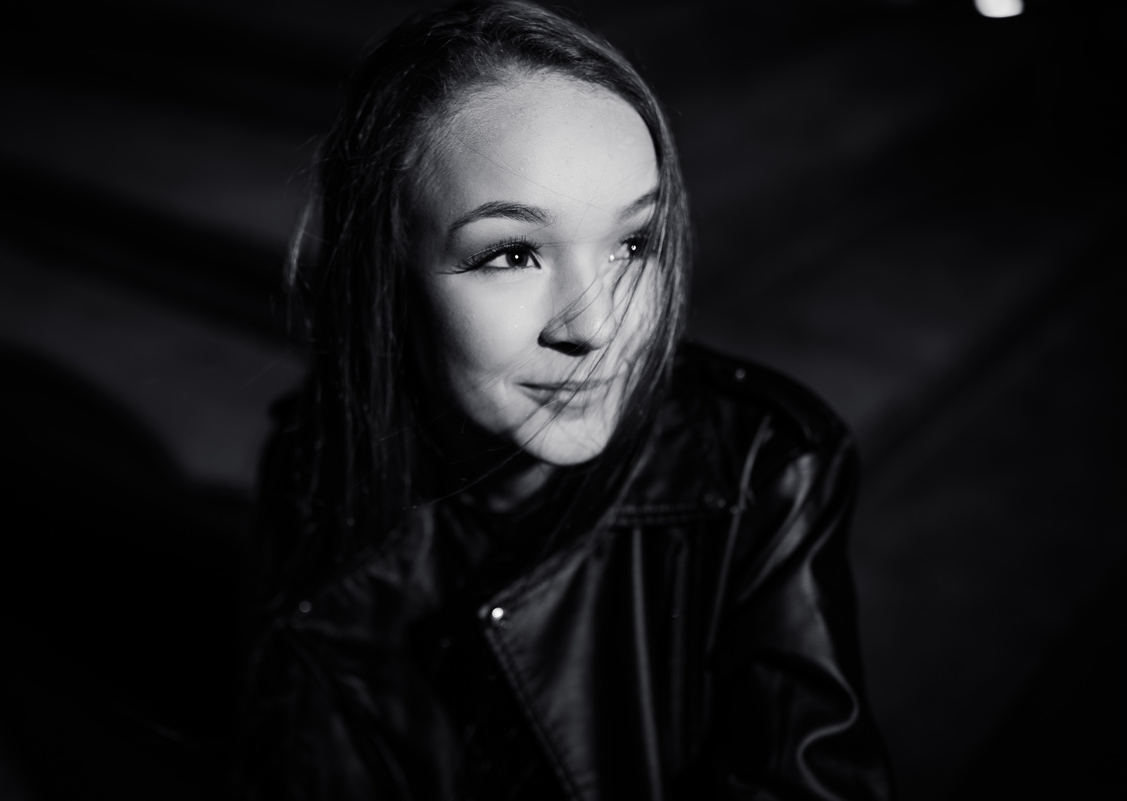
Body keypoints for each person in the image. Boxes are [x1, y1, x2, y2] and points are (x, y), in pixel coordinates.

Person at [237, 2, 893, 799]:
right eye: (513, 253)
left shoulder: (760, 472)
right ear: (387, 269)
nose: (596, 326)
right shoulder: (314, 463)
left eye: (633, 244)